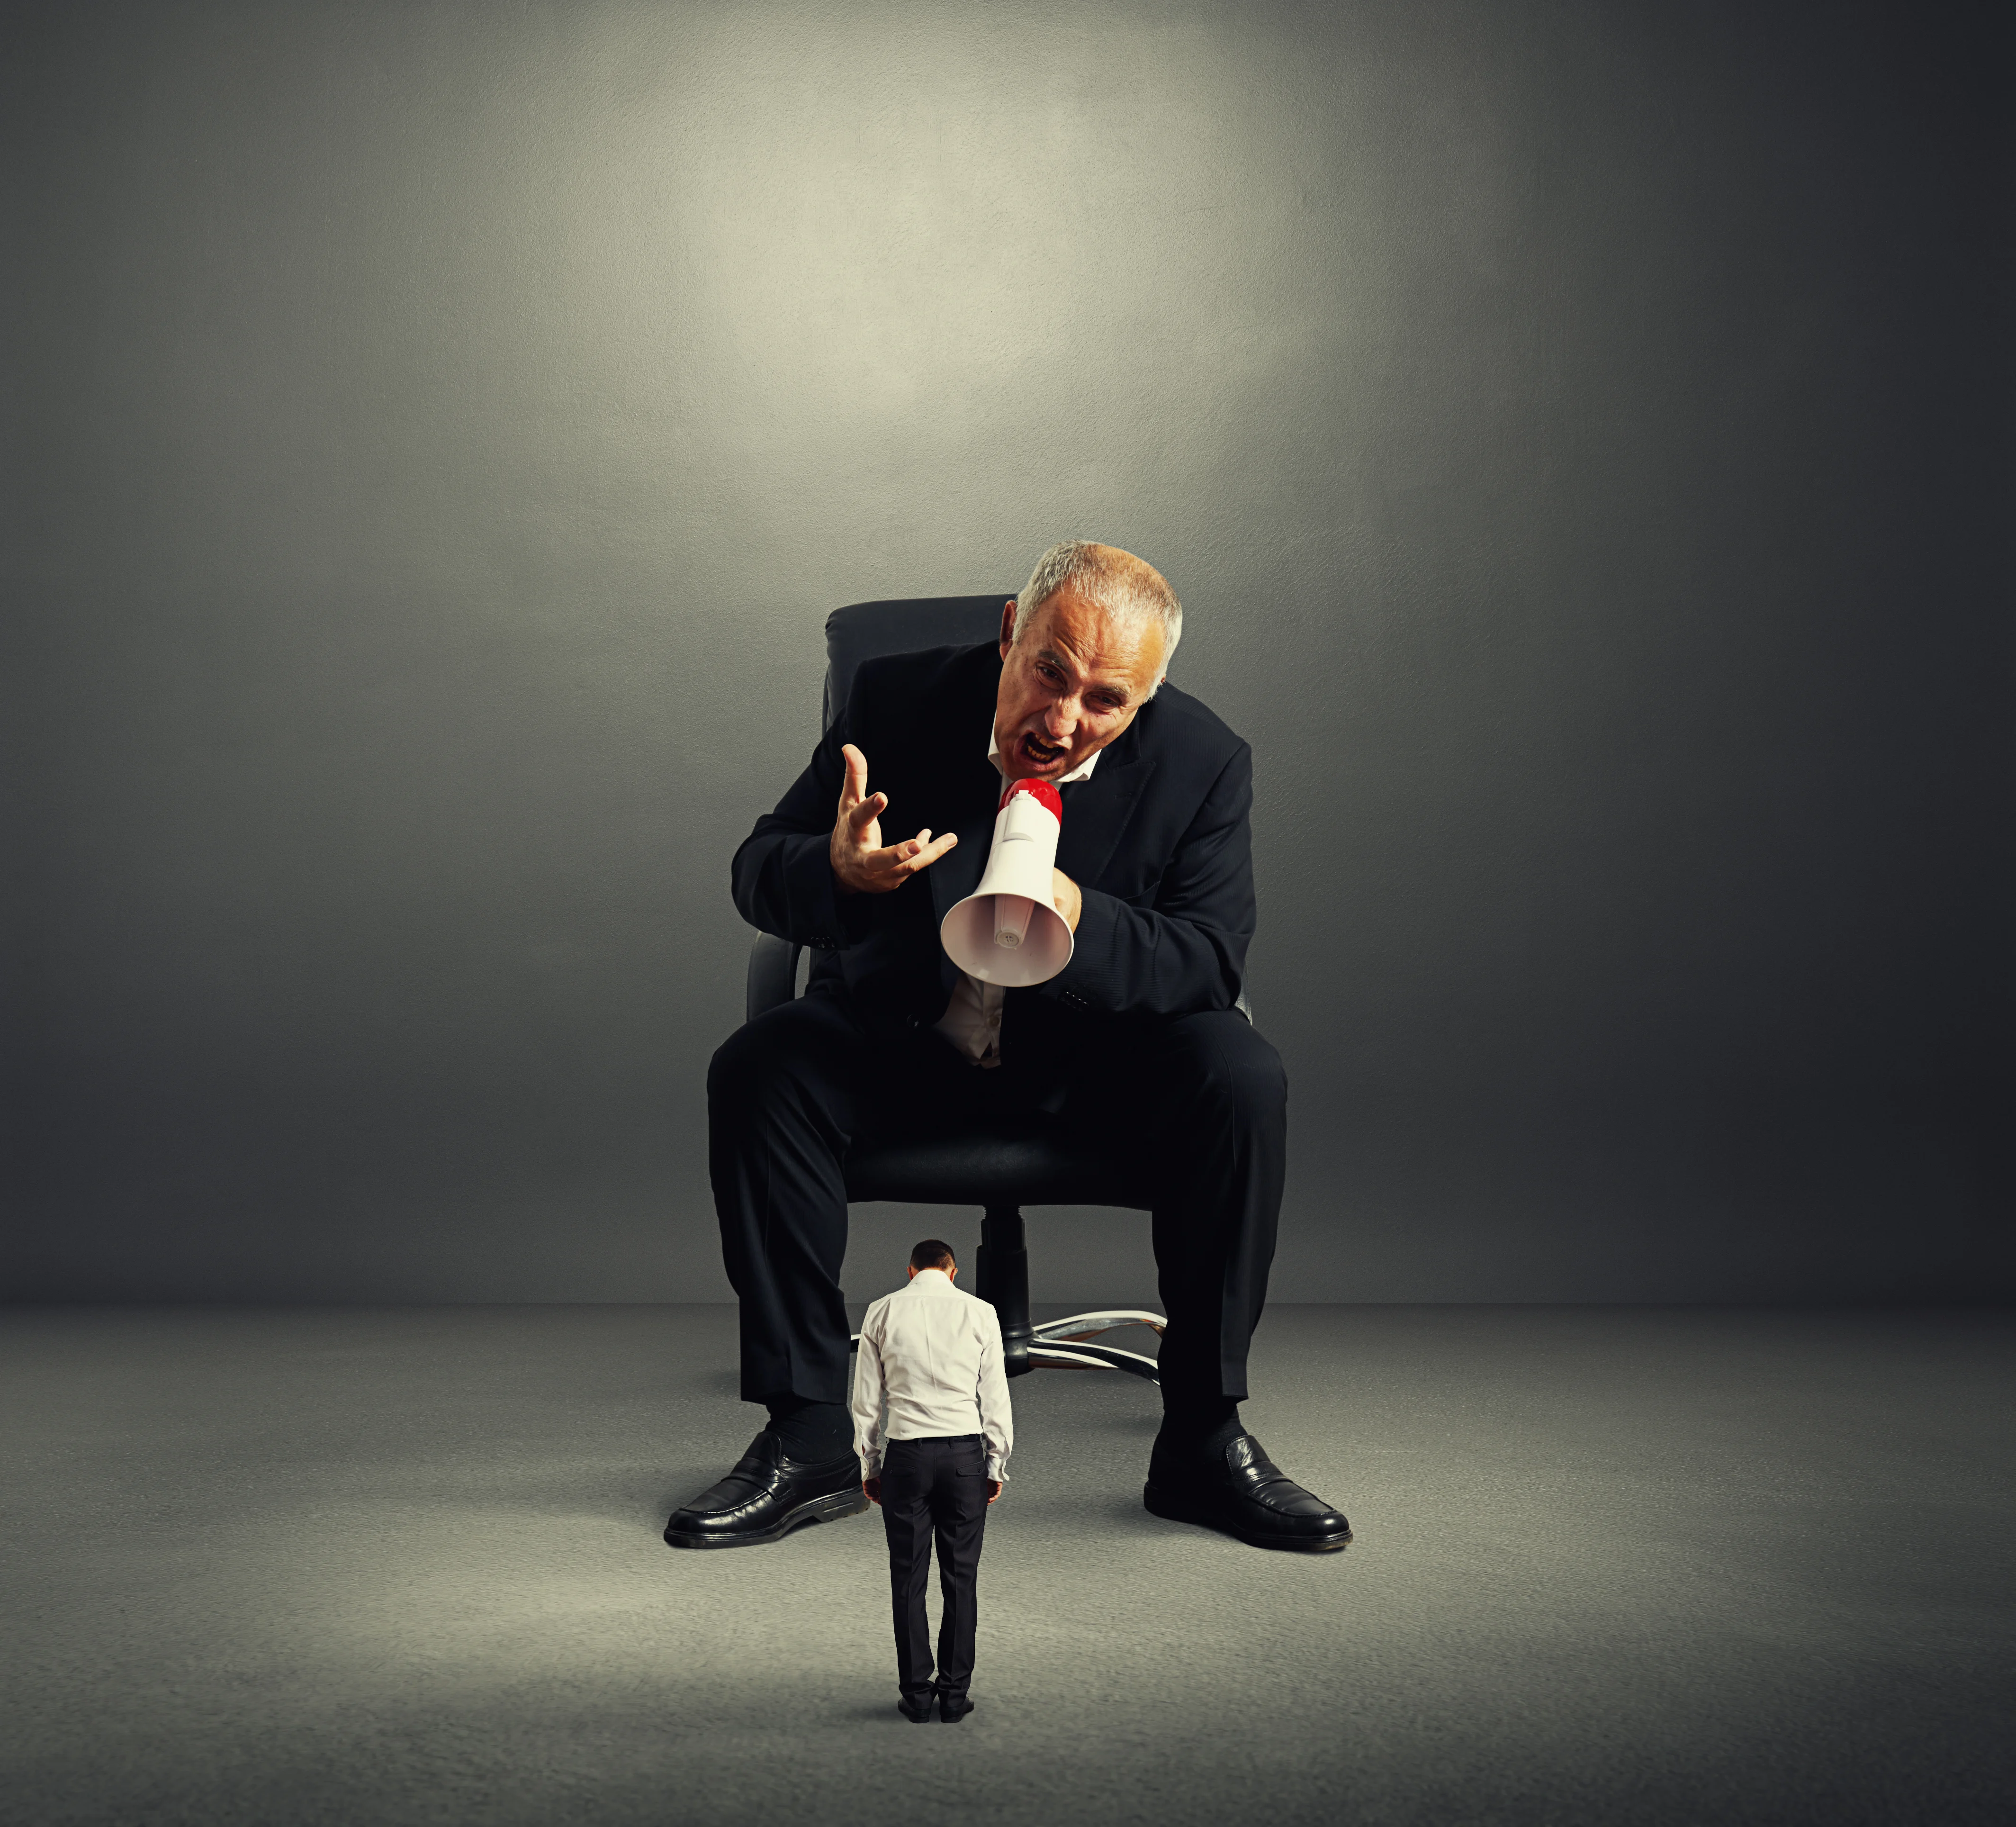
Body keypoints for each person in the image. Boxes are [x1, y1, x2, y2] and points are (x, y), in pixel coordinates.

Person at [663, 541, 1349, 1557]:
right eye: (1049, 672)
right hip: (900, 1040)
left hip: (1092, 1067)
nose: (1064, 722)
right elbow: (757, 871)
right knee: (760, 1066)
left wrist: (1082, 913)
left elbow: (1210, 959)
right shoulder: (893, 702)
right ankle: (807, 1433)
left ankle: (1204, 1440)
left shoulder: (1204, 761)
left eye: (1108, 701)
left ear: (1146, 700)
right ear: (1007, 639)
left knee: (1242, 1073)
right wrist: (838, 872)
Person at [852, 1239, 1011, 1723]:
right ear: (952, 1270)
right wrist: (994, 1464)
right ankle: (955, 1696)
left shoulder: (881, 1311)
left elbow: (865, 1401)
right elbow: (995, 1397)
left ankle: (917, 1696)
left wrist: (870, 1465)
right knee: (961, 1579)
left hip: (905, 1457)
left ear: (910, 1270)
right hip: (963, 1454)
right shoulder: (980, 1312)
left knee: (908, 1578)